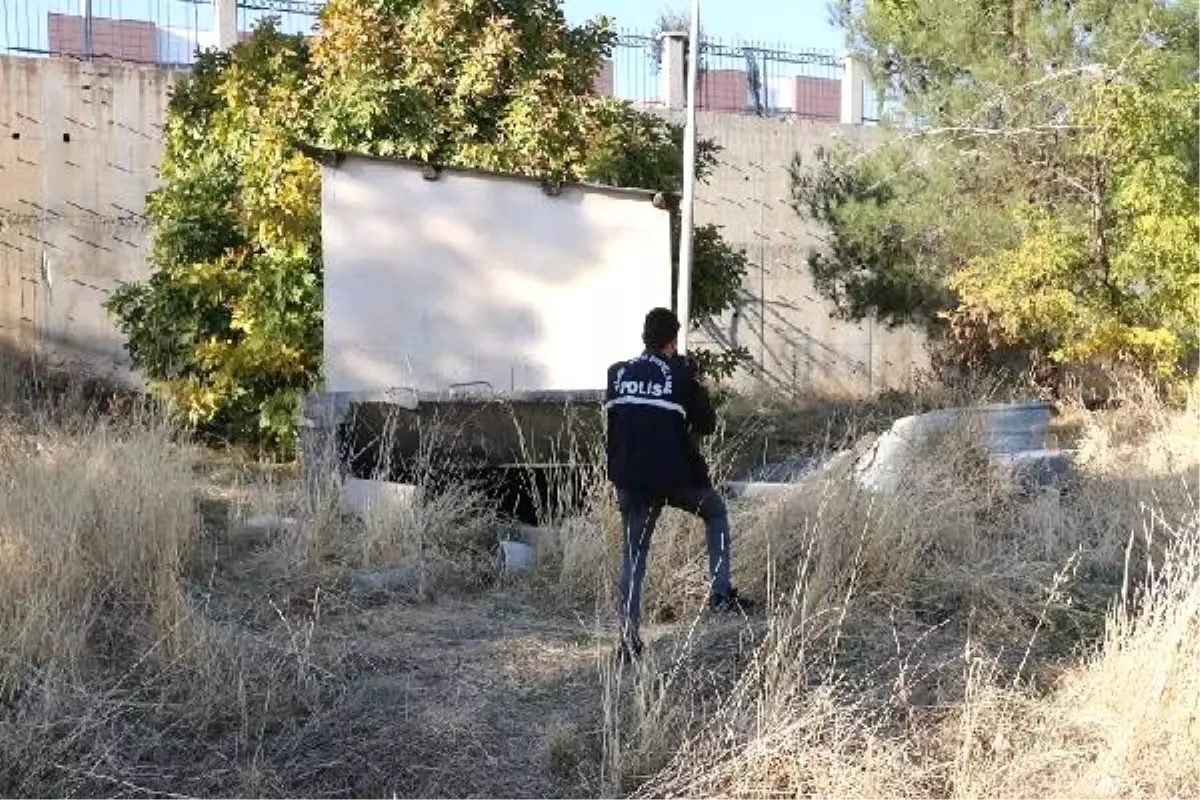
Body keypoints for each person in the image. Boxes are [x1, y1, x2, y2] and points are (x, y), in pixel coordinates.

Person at [604, 307, 749, 661]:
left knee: (634, 557)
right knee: (714, 511)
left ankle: (627, 640)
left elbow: (618, 421)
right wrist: (693, 380)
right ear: (673, 339)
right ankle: (719, 595)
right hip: (676, 476)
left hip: (630, 478)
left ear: (644, 336)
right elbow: (707, 424)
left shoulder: (617, 373)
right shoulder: (680, 375)